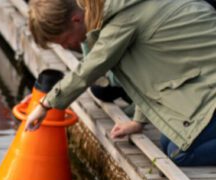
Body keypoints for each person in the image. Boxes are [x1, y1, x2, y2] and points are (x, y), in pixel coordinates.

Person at [25, 0, 216, 167]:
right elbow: (147, 74)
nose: (65, 47)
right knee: (169, 141)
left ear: (76, 19)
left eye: (63, 41)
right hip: (202, 80)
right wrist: (138, 121)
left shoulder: (121, 20)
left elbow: (90, 68)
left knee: (179, 153)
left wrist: (45, 105)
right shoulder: (113, 10)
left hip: (208, 81)